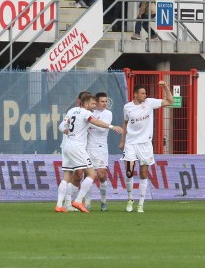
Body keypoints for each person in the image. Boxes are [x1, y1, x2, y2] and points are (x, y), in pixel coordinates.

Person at [55, 92, 124, 213]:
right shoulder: (86, 113)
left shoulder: (71, 111)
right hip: (77, 147)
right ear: (86, 103)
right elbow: (95, 122)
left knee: (67, 176)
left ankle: (59, 205)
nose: (94, 105)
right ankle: (78, 200)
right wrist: (112, 127)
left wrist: (65, 130)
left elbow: (62, 125)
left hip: (67, 145)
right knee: (92, 174)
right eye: (93, 103)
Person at [119, 81, 174, 213]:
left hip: (145, 144)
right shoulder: (127, 107)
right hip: (131, 143)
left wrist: (166, 87)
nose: (145, 95)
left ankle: (141, 204)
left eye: (145, 93)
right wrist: (122, 141)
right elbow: (125, 123)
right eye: (142, 93)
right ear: (135, 94)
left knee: (144, 173)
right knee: (129, 171)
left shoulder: (149, 102)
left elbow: (170, 101)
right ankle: (130, 198)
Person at [84, 92, 114, 211]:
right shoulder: (90, 113)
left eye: (106, 101)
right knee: (89, 176)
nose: (104, 103)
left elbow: (102, 129)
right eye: (102, 101)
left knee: (101, 175)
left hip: (101, 147)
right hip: (88, 147)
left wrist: (91, 123)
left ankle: (103, 200)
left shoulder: (108, 113)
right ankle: (87, 203)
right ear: (96, 102)